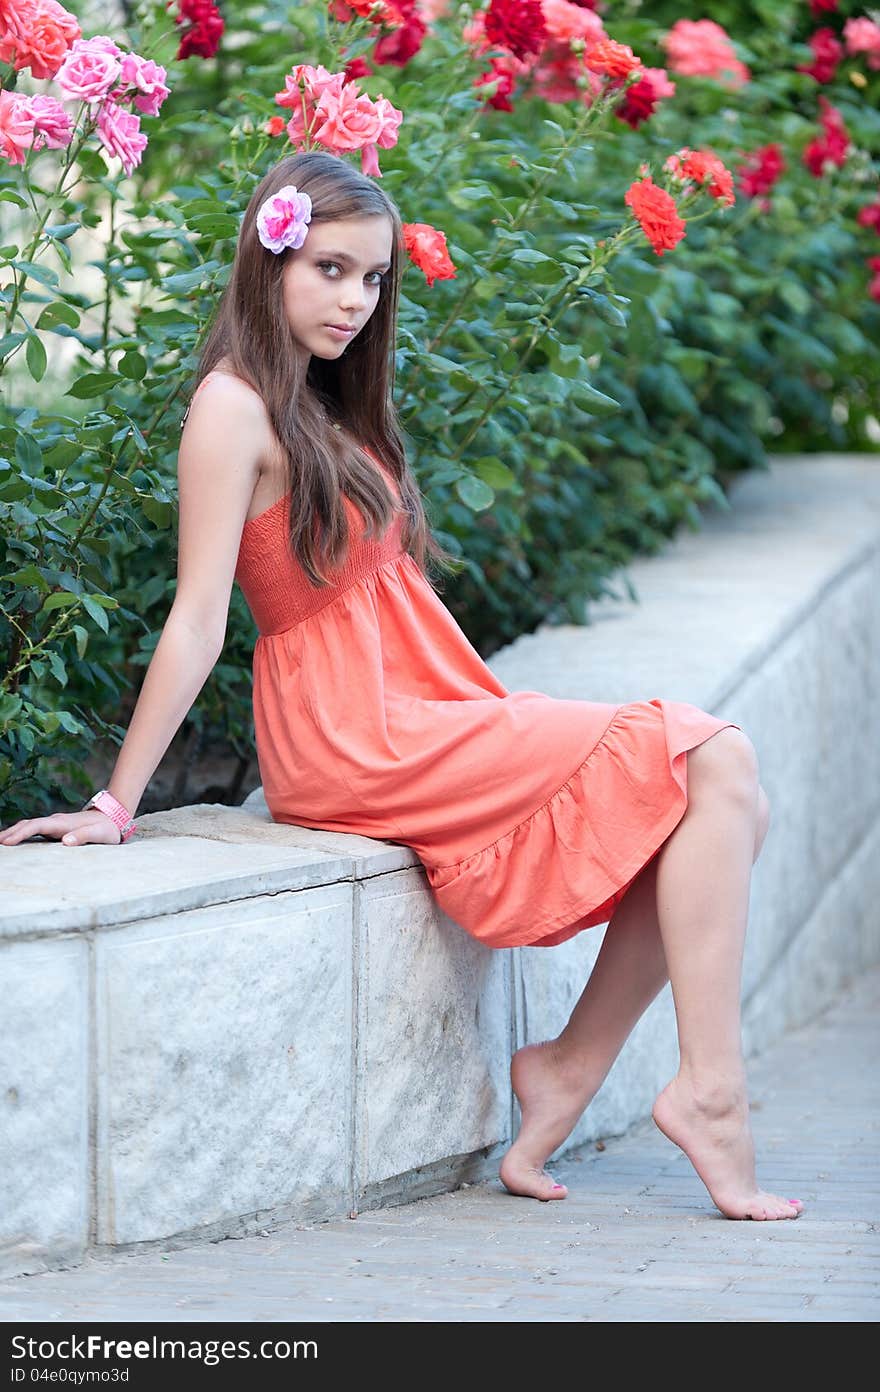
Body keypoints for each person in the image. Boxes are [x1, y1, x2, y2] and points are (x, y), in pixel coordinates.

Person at [0, 150, 803, 1222]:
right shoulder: (231, 408)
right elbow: (198, 617)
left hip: (422, 699)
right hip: (351, 732)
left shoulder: (326, 400)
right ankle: (709, 1092)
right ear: (268, 255)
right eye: (330, 269)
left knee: (717, 790)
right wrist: (115, 803)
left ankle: (570, 1070)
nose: (354, 300)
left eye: (373, 279)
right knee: (707, 755)